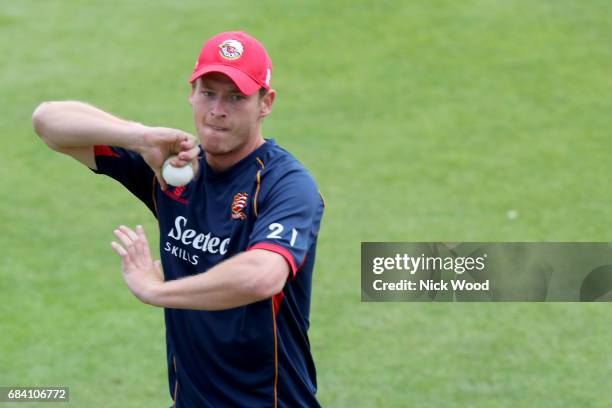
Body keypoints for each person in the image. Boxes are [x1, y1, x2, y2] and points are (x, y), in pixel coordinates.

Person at [32, 31, 325, 408]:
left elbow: (261, 276)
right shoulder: (171, 170)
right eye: (208, 93)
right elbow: (48, 121)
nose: (217, 110)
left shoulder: (284, 183)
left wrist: (155, 291)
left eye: (235, 97)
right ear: (191, 92)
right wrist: (138, 137)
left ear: (265, 103)